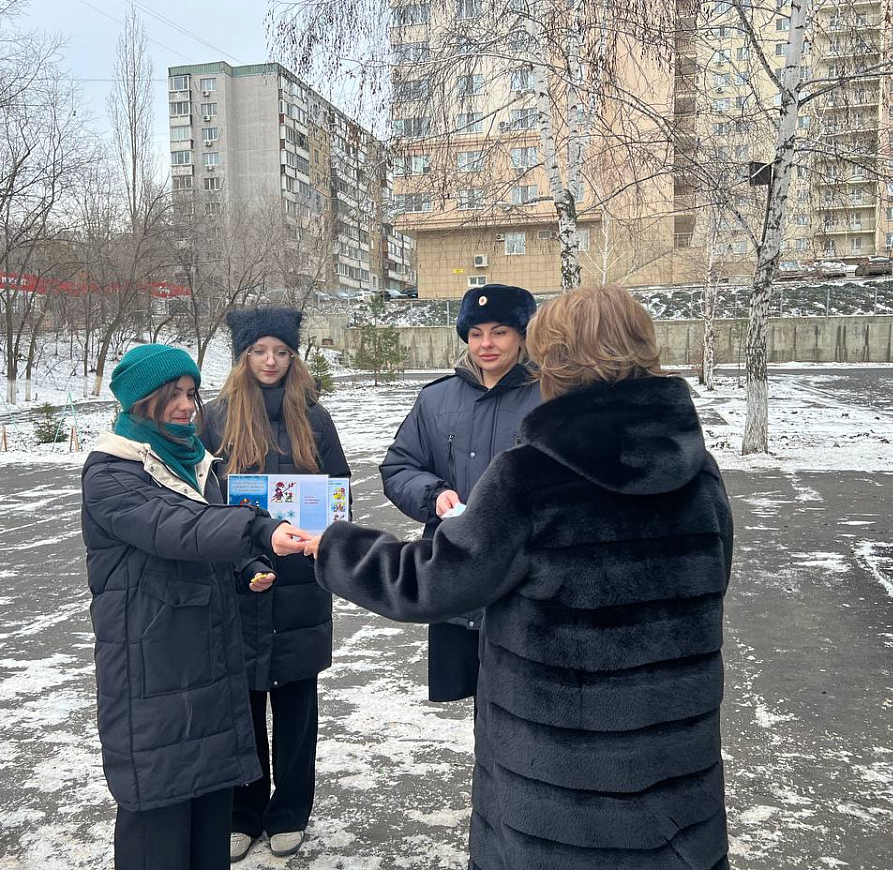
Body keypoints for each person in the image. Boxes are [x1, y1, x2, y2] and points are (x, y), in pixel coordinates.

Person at [306, 285, 733, 870]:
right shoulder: (698, 471)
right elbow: (715, 579)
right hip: (673, 770)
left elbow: (431, 582)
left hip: (562, 783)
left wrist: (333, 546)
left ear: (555, 360)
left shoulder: (531, 477)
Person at [80, 343, 311, 870]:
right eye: (173, 395)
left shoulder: (190, 462)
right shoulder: (113, 473)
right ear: (141, 402)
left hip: (207, 664)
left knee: (209, 816)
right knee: (159, 822)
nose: (187, 406)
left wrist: (246, 566)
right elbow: (176, 526)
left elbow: (204, 531)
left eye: (191, 393)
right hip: (152, 670)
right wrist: (258, 529)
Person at [201, 308, 351, 863]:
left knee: (296, 707)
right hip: (238, 581)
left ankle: (289, 811)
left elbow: (339, 492)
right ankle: (242, 811)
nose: (271, 361)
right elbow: (202, 498)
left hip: (301, 582)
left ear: (294, 356)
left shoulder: (315, 418)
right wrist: (240, 557)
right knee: (240, 706)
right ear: (243, 356)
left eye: (282, 352)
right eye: (259, 351)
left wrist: (324, 538)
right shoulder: (214, 418)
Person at [379, 283, 542, 705]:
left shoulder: (551, 395)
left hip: (526, 582)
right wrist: (432, 494)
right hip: (455, 574)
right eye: (475, 333)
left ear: (522, 334)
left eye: (499, 331)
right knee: (476, 708)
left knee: (525, 705)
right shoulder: (436, 400)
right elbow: (399, 467)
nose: (486, 344)